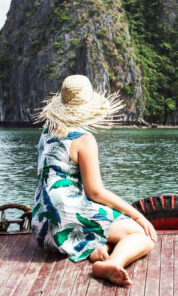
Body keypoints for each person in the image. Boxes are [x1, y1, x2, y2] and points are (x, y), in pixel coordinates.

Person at [31, 75, 156, 286]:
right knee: (143, 237)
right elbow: (95, 192)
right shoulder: (83, 139)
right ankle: (112, 264)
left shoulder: (46, 133)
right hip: (66, 215)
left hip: (41, 226)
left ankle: (100, 249)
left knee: (105, 225)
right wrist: (138, 217)